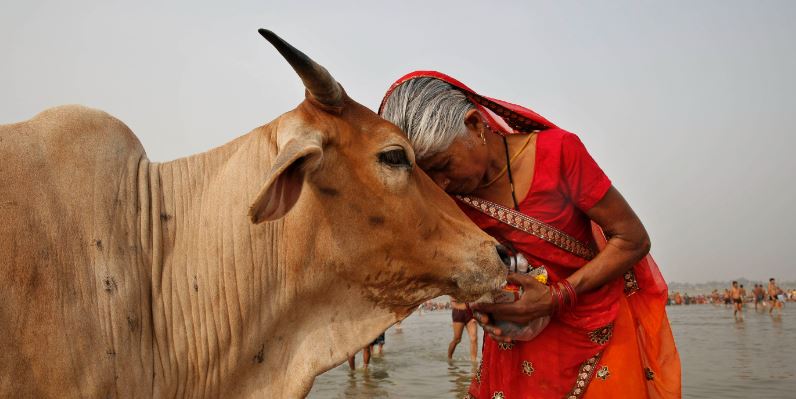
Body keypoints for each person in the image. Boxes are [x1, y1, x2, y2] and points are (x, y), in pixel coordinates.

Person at [380, 71, 681, 399]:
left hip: (596, 328)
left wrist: (555, 297)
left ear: (476, 125)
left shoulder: (559, 153)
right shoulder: (448, 201)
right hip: (516, 346)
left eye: (443, 165)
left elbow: (632, 239)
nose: (441, 184)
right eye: (428, 176)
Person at [448, 297, 479, 363]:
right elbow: (453, 301)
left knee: (474, 338)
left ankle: (474, 362)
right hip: (458, 311)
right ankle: (449, 358)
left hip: (470, 313)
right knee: (457, 339)